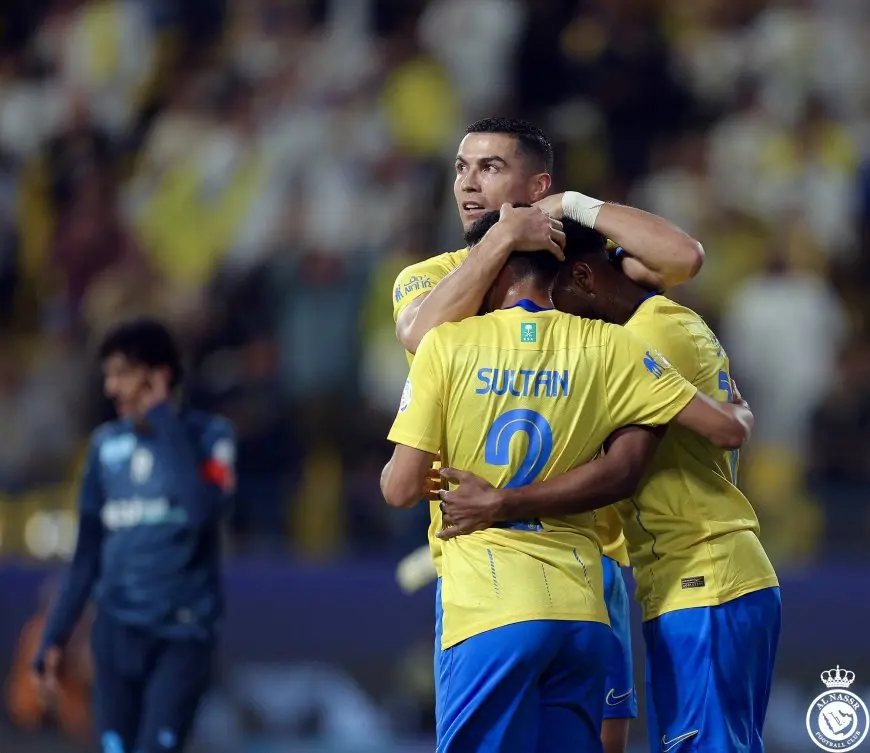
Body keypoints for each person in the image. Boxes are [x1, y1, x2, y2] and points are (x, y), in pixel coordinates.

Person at [381, 211, 751, 753]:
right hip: (583, 609)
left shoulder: (447, 345)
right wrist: (736, 407)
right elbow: (713, 431)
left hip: (490, 605)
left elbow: (399, 488)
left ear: (491, 270)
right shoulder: (611, 346)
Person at [32, 318, 236, 753]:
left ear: (158, 375)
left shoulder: (209, 437)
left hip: (181, 637)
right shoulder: (105, 448)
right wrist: (55, 636)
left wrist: (162, 418)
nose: (110, 388)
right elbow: (87, 555)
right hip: (116, 636)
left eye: (121, 374)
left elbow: (202, 510)